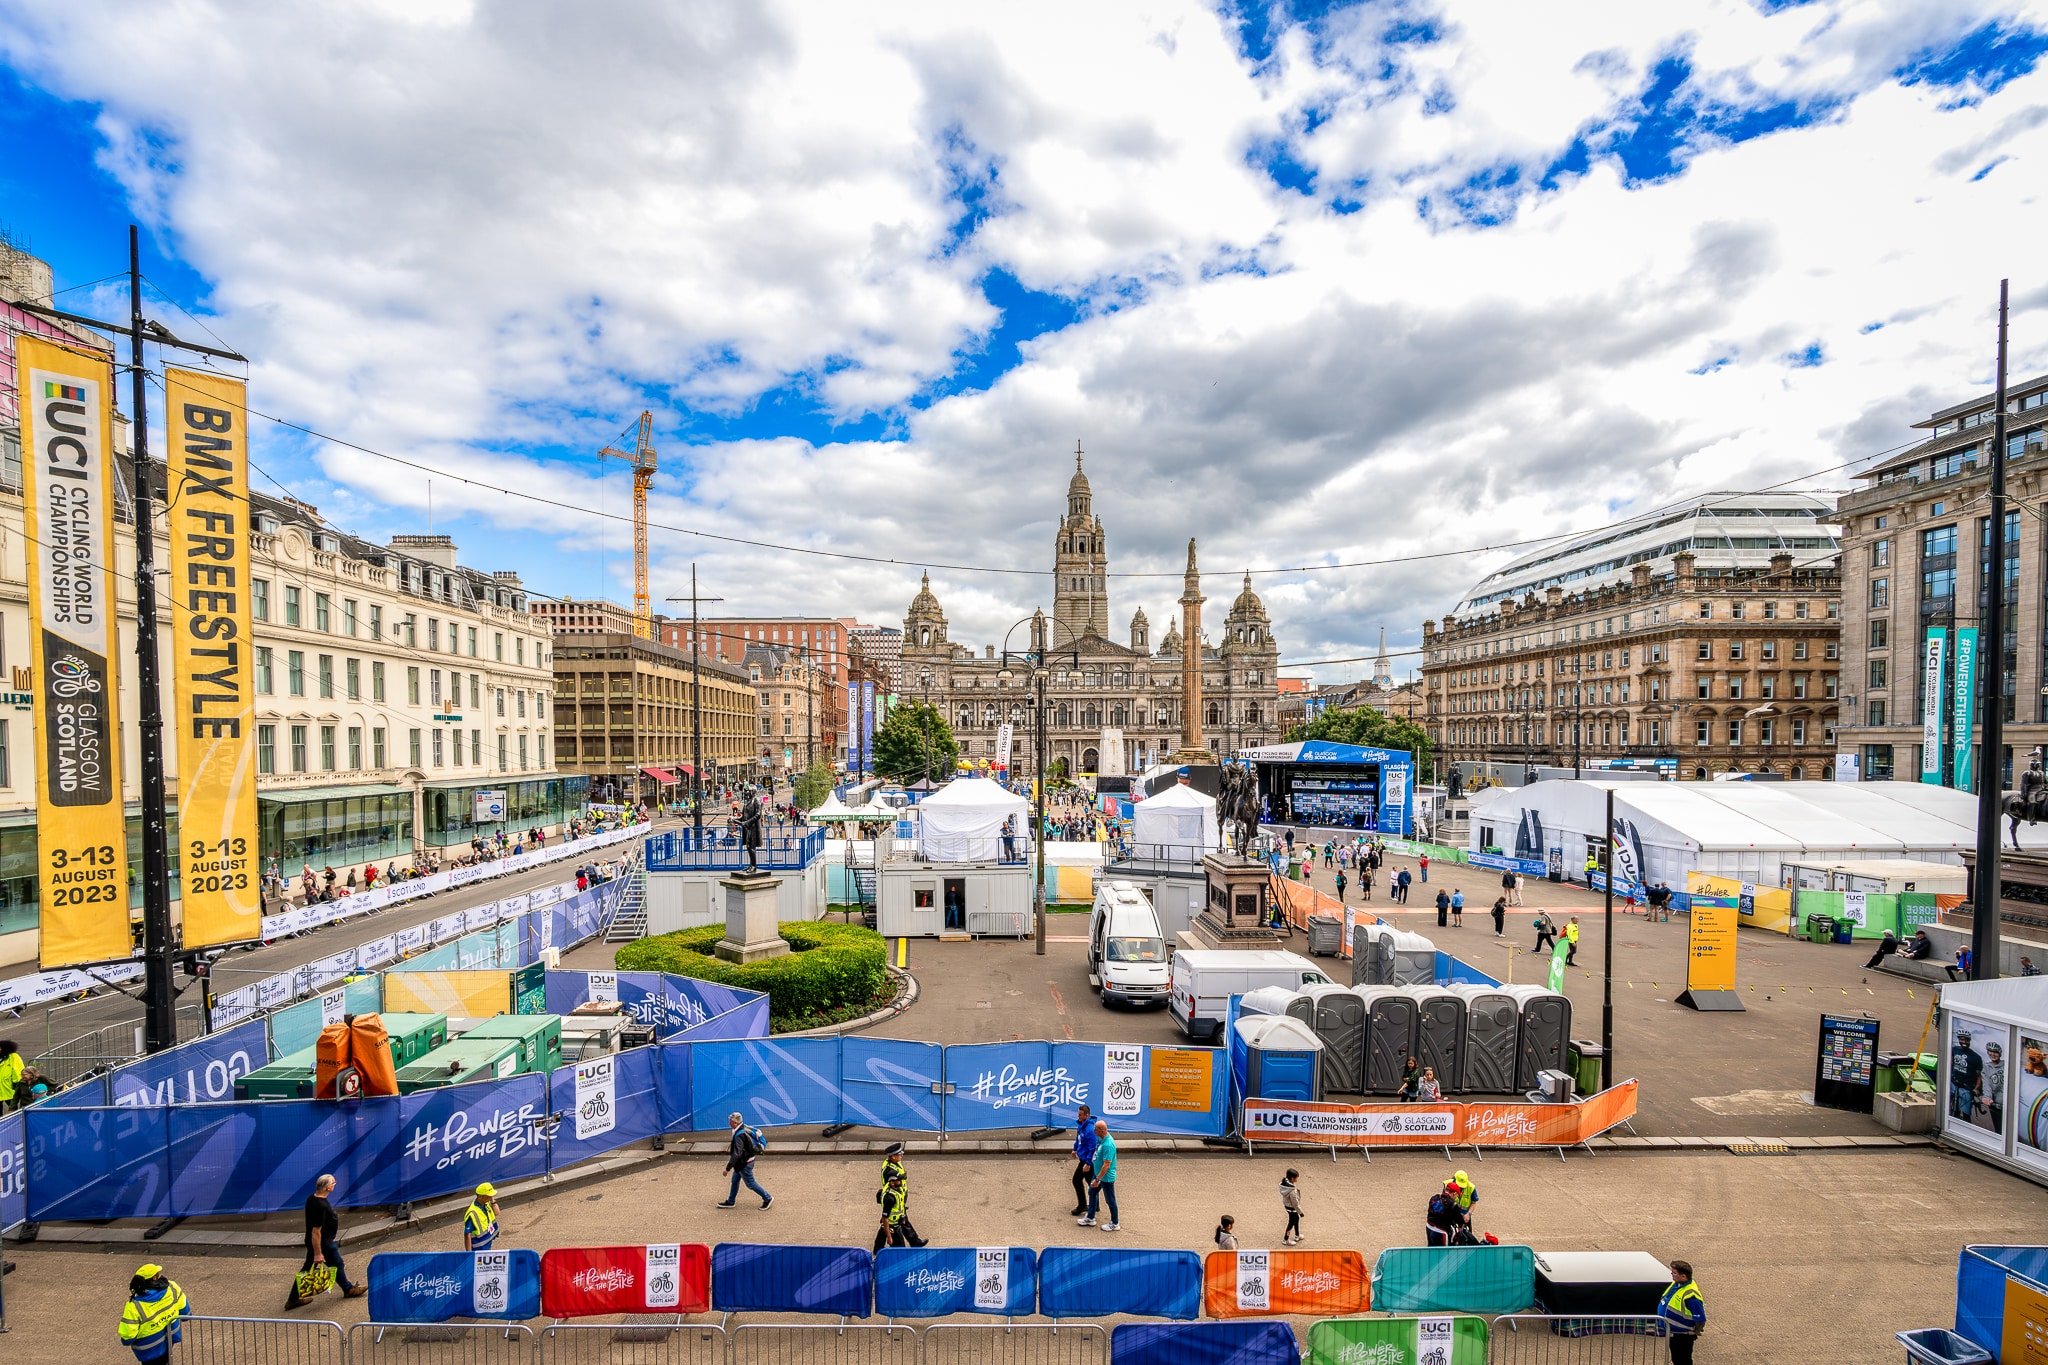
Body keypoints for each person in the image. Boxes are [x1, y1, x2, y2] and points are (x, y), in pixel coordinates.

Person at [287, 1173, 366, 1308]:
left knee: (315, 1267)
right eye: (333, 1184)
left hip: (319, 1242)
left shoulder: (312, 1198)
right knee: (336, 1264)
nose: (334, 1185)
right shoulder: (320, 1206)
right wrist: (318, 1253)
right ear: (328, 1188)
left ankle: (293, 1299)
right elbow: (316, 1231)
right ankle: (348, 1289)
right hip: (323, 1244)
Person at [118, 1264, 191, 1363]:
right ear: (154, 1277)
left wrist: (126, 1341)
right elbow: (185, 1313)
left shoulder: (134, 1305)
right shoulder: (172, 1287)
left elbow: (128, 1336)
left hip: (148, 1351)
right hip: (169, 1339)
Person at [719, 1111, 773, 1209]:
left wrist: (727, 1168)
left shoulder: (739, 1135)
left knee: (750, 1183)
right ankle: (731, 1201)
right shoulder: (743, 1128)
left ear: (735, 1123)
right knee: (735, 1180)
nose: (729, 1123)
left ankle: (767, 1198)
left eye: (730, 1121)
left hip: (744, 1163)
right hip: (744, 1161)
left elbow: (737, 1154)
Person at [1657, 1260, 1707, 1364]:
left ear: (1683, 1276)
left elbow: (1700, 1318)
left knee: (1683, 1361)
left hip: (1683, 1335)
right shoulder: (1677, 1284)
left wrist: (1696, 1331)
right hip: (1673, 1333)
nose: (1671, 1274)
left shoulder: (1691, 1296)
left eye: (1674, 1272)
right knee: (1676, 1359)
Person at [1079, 1119, 1118, 1231]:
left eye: (1095, 1128)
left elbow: (1106, 1165)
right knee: (1092, 1192)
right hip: (1098, 1174)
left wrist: (1097, 1179)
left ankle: (1115, 1223)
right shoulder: (1101, 1140)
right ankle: (1090, 1217)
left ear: (1101, 1130)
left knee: (1110, 1200)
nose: (1093, 1130)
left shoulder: (1108, 1145)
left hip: (1105, 1177)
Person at [1067, 1104, 1097, 1214]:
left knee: (1076, 1180)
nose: (1078, 1116)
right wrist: (1075, 1149)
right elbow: (1078, 1138)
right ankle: (1095, 1204)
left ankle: (1082, 1205)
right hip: (1084, 1158)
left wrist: (1088, 1163)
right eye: (1078, 1114)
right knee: (1090, 1181)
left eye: (1080, 1115)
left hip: (1086, 1160)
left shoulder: (1089, 1129)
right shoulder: (1081, 1125)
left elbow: (1092, 1147)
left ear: (1087, 1115)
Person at [1951, 1029, 1984, 1120]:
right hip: (1953, 1083)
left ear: (1969, 1041)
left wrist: (1976, 1089)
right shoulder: (1954, 1050)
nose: (1964, 1042)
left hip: (1966, 1087)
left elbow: (1979, 1076)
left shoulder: (1976, 1057)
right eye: (1961, 1039)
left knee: (1966, 1114)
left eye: (1966, 1040)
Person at [1424, 1180, 1466, 1247]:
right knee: (1443, 1254)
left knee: (1431, 1250)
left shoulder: (1434, 1198)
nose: (1456, 1198)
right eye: (1457, 1195)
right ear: (1454, 1193)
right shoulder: (1452, 1204)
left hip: (1429, 1227)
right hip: (1441, 1232)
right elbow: (1460, 1221)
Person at [877, 1168, 910, 1249]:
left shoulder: (897, 1190)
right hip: (892, 1227)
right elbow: (885, 1218)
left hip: (894, 1224)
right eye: (899, 1180)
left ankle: (877, 1252)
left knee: (880, 1241)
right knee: (900, 1250)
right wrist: (889, 1237)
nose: (901, 1182)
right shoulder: (890, 1198)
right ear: (892, 1183)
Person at [464, 1183, 500, 1250]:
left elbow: (497, 1213)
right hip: (479, 1249)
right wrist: (469, 1254)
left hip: (486, 1244)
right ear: (480, 1197)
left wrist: (492, 1200)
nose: (491, 1197)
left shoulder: (485, 1204)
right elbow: (467, 1235)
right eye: (489, 1196)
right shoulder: (472, 1213)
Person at [0, 1040, 26, 1113]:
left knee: (13, 1109)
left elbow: (18, 1070)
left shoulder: (13, 1057)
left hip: (9, 1088)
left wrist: (16, 1084)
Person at [1986, 1042, 2007, 1131]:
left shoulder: (2006, 1065)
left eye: (1995, 1052)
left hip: (2007, 1105)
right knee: (1999, 1129)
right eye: (1990, 1051)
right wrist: (1987, 1097)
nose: (1993, 1054)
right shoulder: (1986, 1067)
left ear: (2000, 1054)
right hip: (1995, 1105)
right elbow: (1986, 1084)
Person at [1279, 1168, 1303, 1244]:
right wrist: (1300, 1212)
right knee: (1291, 1223)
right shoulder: (1292, 1191)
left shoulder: (1285, 1186)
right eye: (1297, 1177)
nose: (1297, 1179)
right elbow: (1295, 1203)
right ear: (1292, 1178)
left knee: (1296, 1219)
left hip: (1288, 1206)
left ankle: (1297, 1235)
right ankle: (1285, 1239)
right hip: (1292, 1208)